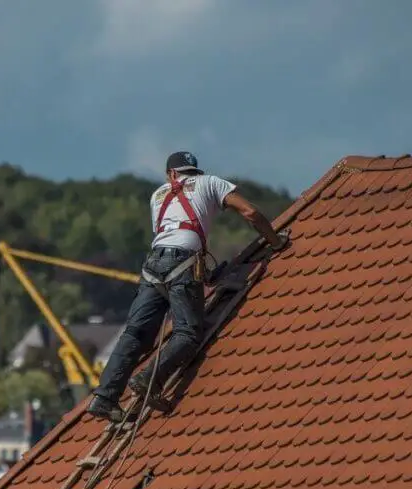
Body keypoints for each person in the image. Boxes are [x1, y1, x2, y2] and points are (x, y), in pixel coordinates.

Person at [86, 150, 287, 423]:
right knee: (188, 333)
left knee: (135, 333)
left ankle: (105, 397)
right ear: (195, 170)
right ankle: (149, 379)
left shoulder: (157, 195)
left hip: (153, 266)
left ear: (171, 174)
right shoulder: (211, 182)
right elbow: (250, 212)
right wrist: (275, 241)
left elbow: (171, 233)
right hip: (183, 262)